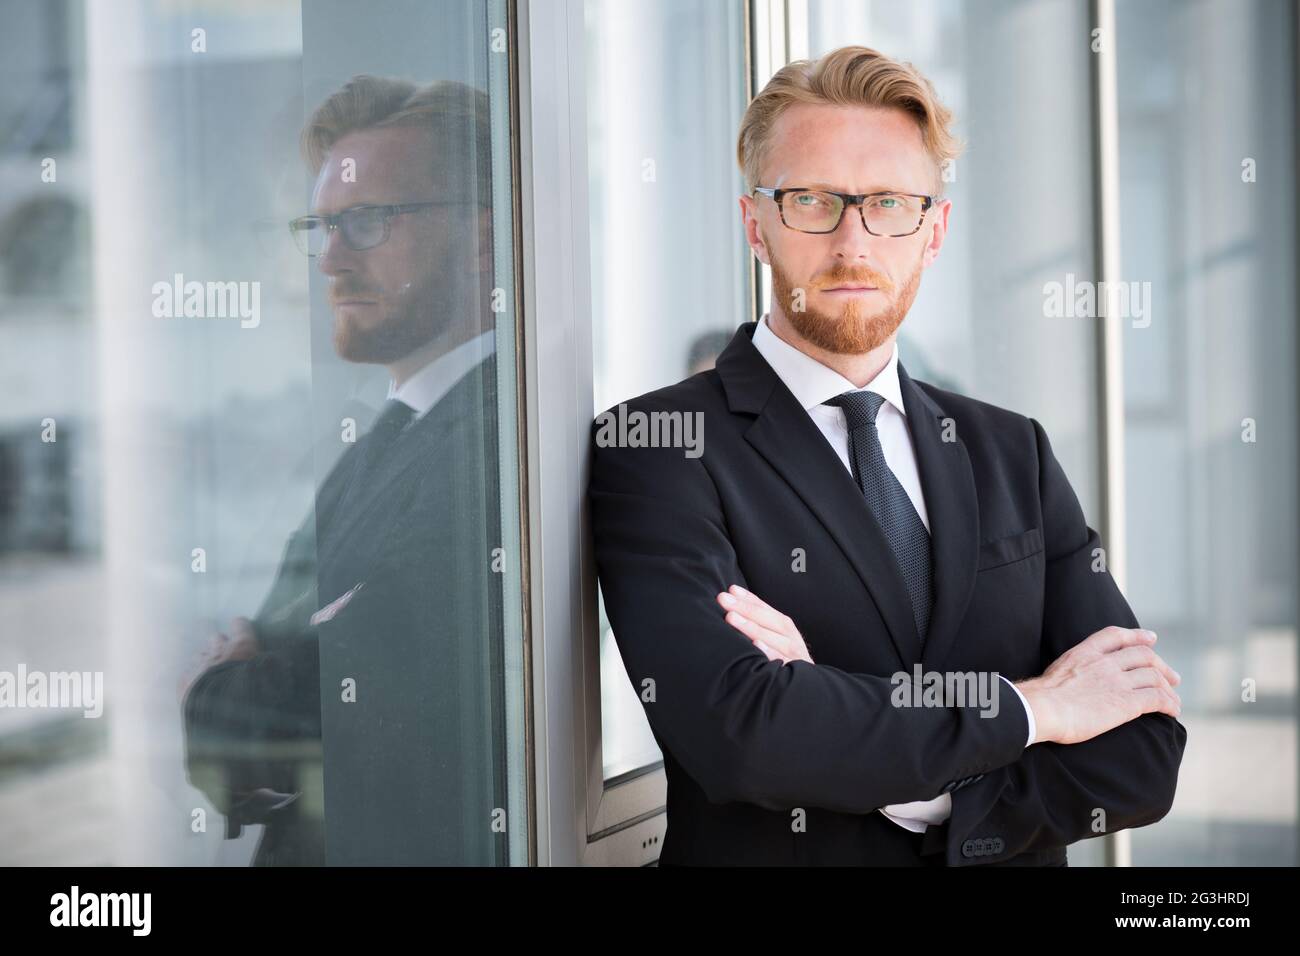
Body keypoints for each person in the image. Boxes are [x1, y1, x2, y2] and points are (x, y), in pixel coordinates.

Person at [588, 46, 1187, 866]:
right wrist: (1034, 711)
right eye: (811, 201)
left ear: (933, 231)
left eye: (890, 205)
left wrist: (859, 742)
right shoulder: (658, 448)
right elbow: (746, 736)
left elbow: (1141, 762)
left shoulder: (1013, 450)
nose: (853, 240)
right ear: (755, 223)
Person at [181, 76, 505, 865]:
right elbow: (299, 701)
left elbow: (319, 699)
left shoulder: (501, 442)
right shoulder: (387, 436)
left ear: (480, 241)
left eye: (365, 222)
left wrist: (215, 696)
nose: (329, 260)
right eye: (321, 227)